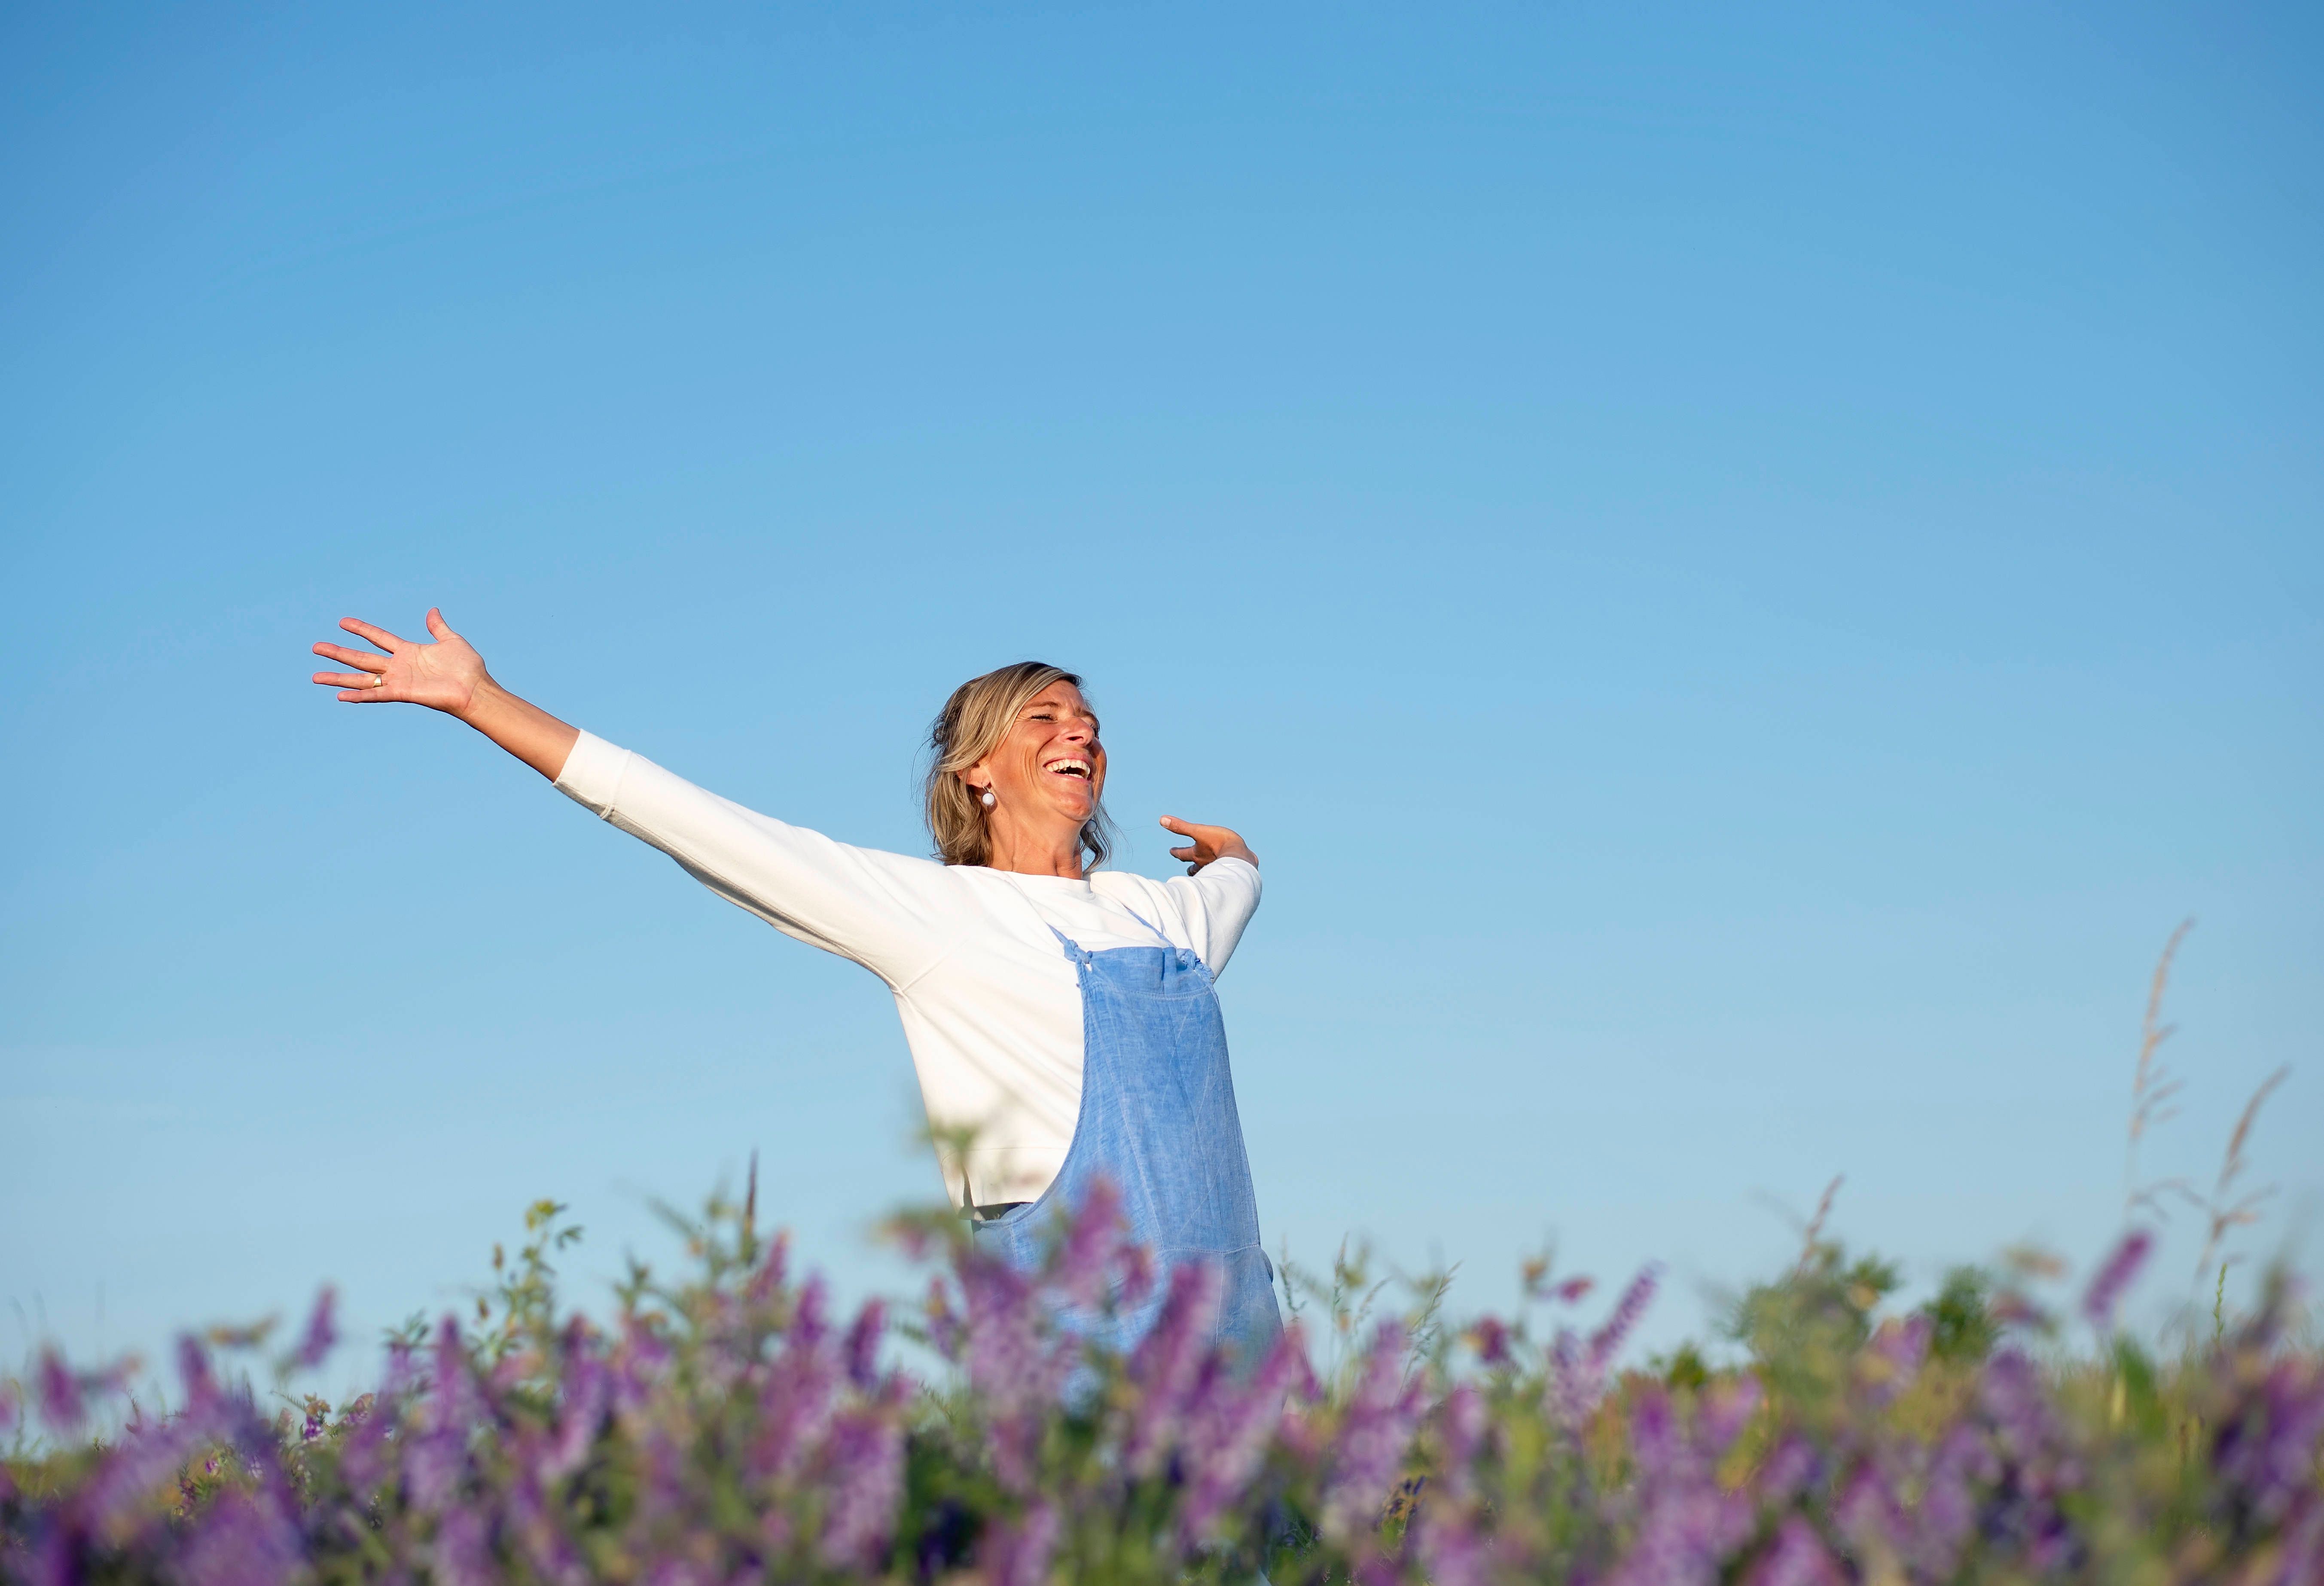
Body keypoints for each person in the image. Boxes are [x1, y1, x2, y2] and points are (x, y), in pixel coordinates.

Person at [310, 609, 1281, 1360]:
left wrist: (1234, 853)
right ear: (978, 769)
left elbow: (1235, 887)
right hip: (1070, 1322)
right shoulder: (935, 914)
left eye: (1089, 724)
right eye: (1046, 718)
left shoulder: (1158, 912)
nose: (1080, 734)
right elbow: (692, 820)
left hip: (1235, 1323)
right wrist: (482, 700)